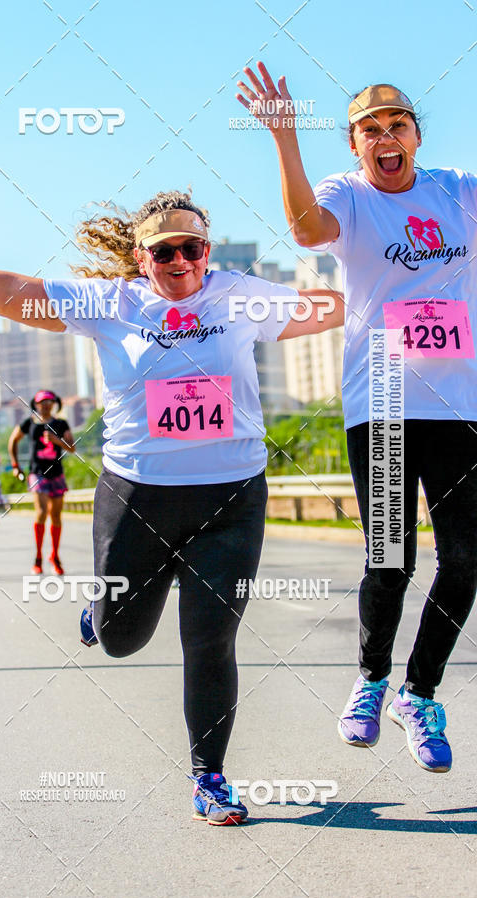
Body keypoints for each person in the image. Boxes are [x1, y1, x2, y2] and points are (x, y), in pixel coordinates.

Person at [0, 193, 343, 823]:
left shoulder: (243, 296)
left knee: (211, 639)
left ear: (207, 250)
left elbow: (341, 308)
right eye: (164, 250)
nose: (181, 260)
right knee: (123, 639)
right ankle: (103, 613)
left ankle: (210, 776)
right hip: (137, 497)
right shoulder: (111, 302)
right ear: (139, 256)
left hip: (231, 496)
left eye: (193, 248)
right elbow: (16, 291)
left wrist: (408, 281)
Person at [237, 65, 477, 773]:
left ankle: (419, 692)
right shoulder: (348, 196)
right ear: (355, 147)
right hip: (383, 405)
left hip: (461, 406)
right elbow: (309, 229)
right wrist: (284, 137)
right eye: (369, 131)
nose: (385, 138)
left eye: (396, 125)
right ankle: (372, 679)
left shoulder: (457, 192)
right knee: (392, 555)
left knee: (467, 556)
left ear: (416, 135)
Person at [8, 391, 75, 576]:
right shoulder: (29, 423)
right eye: (42, 402)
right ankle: (37, 557)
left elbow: (72, 447)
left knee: (56, 516)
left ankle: (55, 555)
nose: (46, 405)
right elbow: (13, 440)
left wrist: (56, 440)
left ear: (54, 404)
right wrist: (15, 465)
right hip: (37, 474)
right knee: (42, 512)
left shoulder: (61, 424)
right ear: (36, 404)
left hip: (57, 474)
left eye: (49, 402)